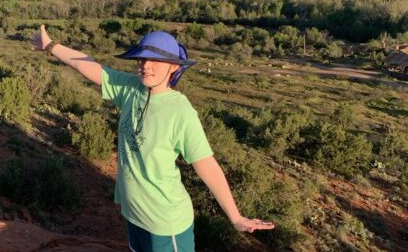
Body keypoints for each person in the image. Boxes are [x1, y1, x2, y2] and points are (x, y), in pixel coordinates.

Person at [32, 27, 274, 251]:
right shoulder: (131, 89)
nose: (145, 65)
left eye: (155, 60)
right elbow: (93, 68)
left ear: (173, 67)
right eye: (142, 59)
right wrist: (51, 45)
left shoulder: (181, 111)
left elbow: (206, 164)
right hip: (134, 214)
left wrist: (235, 217)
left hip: (165, 224)